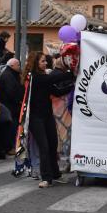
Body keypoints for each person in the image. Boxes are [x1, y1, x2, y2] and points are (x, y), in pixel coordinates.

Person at [22, 52, 74, 188]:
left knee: (52, 145)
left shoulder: (44, 77)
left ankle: (55, 174)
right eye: (43, 61)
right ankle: (46, 178)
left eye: (46, 61)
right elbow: (54, 80)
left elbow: (56, 91)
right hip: (35, 118)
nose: (46, 63)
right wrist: (73, 72)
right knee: (44, 147)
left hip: (47, 116)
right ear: (35, 63)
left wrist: (72, 86)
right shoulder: (34, 77)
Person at [0, 58, 23, 154]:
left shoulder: (10, 74)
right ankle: (10, 147)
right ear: (12, 66)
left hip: (11, 106)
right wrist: (19, 101)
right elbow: (11, 92)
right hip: (10, 106)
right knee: (11, 128)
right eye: (18, 65)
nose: (19, 67)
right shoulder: (8, 75)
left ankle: (11, 146)